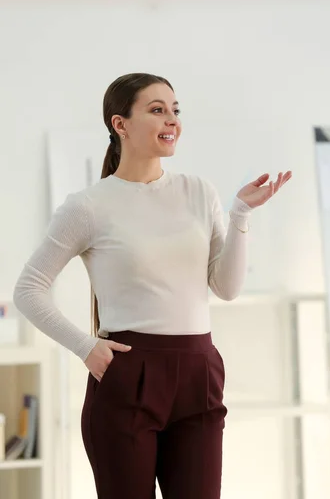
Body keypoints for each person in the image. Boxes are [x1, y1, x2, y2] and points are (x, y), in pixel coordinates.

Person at [13, 72, 292, 499]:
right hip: (128, 373)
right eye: (157, 110)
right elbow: (28, 289)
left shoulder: (199, 192)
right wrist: (85, 347)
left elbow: (226, 287)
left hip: (199, 370)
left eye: (175, 110)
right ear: (119, 124)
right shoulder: (88, 206)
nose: (172, 120)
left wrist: (240, 215)